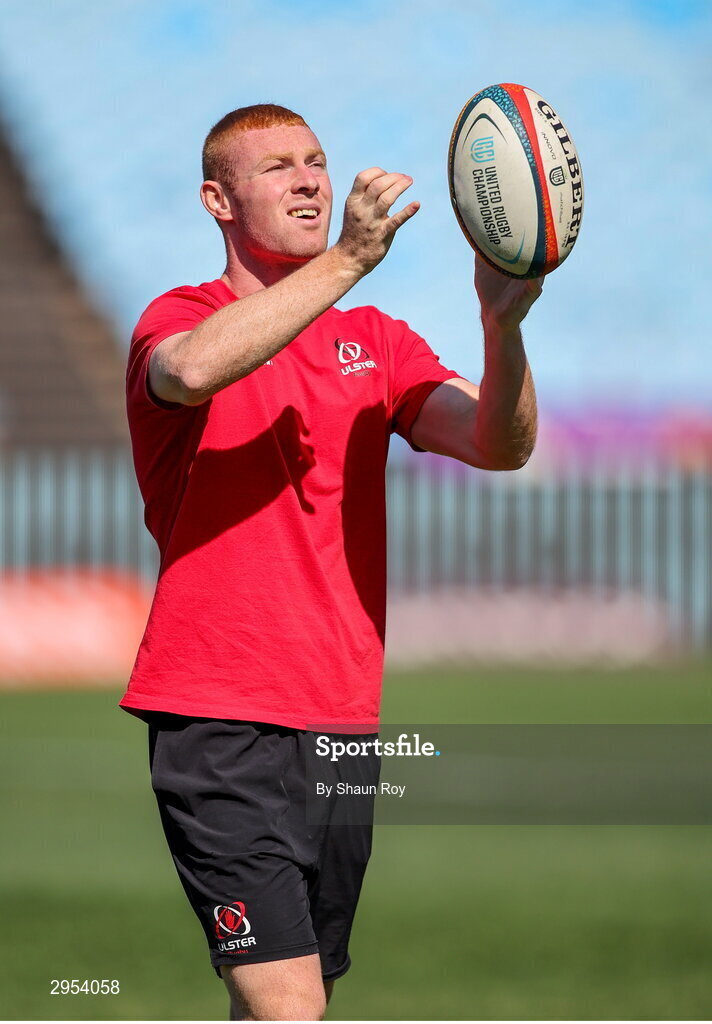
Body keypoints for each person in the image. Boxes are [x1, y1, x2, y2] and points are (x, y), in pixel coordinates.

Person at [120, 103, 542, 1021]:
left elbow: (498, 444)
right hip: (217, 718)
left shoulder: (379, 343)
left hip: (342, 719)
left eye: (315, 160)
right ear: (217, 201)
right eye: (276, 168)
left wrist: (502, 327)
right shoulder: (180, 317)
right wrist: (348, 260)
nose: (309, 179)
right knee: (289, 1007)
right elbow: (189, 373)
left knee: (290, 998)